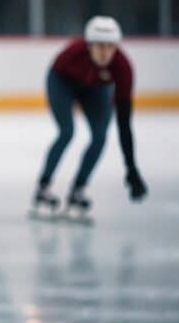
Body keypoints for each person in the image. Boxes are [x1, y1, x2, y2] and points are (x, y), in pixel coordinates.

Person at [33, 16, 147, 215]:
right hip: (63, 82)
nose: (104, 53)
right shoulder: (72, 54)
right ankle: (43, 187)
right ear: (88, 45)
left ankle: (78, 189)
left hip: (96, 88)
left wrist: (131, 168)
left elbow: (124, 123)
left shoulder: (123, 68)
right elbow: (53, 76)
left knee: (100, 136)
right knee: (67, 132)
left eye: (110, 47)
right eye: (99, 46)